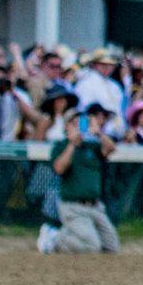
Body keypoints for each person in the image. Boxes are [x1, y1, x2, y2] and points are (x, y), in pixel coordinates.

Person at [38, 106, 120, 254]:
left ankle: (65, 233)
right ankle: (55, 239)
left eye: (81, 122)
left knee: (111, 247)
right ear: (66, 126)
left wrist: (98, 132)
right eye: (73, 122)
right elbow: (59, 168)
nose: (78, 125)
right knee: (92, 247)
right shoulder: (61, 146)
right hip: (73, 207)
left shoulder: (93, 146)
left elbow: (111, 148)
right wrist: (73, 144)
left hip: (95, 206)